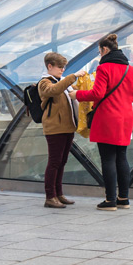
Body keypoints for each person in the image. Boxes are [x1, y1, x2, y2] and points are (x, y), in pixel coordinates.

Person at [73, 33, 133, 210]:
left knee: (108, 159)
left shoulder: (104, 68)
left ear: (104, 49)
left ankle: (110, 200)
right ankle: (123, 199)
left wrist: (77, 95)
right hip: (125, 118)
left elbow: (97, 94)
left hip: (108, 117)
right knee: (122, 157)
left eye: (99, 51)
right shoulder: (130, 69)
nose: (99, 55)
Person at [38, 52, 79, 208]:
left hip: (67, 127)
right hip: (55, 128)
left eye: (64, 67)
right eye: (60, 67)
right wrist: (72, 76)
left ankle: (58, 193)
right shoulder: (45, 82)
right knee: (54, 162)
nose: (62, 70)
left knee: (62, 162)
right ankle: (50, 196)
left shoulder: (62, 81)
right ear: (50, 66)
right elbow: (53, 90)